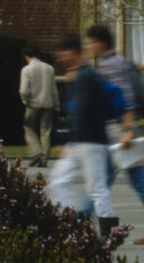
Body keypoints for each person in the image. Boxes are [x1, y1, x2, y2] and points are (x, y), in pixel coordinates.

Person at [89, 23, 144, 245]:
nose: (90, 47)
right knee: (130, 180)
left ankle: (77, 222)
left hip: (121, 131)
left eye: (92, 42)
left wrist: (127, 130)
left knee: (101, 182)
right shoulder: (115, 63)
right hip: (121, 129)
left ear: (102, 43)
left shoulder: (112, 66)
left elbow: (127, 98)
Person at [47, 31, 122, 233]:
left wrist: (65, 138)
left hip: (91, 142)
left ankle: (109, 232)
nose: (60, 59)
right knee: (58, 181)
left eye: (62, 54)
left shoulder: (87, 76)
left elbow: (82, 110)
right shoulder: (82, 76)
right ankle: (72, 223)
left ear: (72, 52)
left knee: (96, 189)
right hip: (81, 141)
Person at [18, 47, 58, 160]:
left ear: (26, 57)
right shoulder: (49, 68)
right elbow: (53, 88)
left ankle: (36, 152)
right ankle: (45, 157)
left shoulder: (27, 69)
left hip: (33, 104)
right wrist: (57, 104)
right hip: (48, 103)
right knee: (46, 131)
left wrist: (25, 100)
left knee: (29, 128)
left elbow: (24, 90)